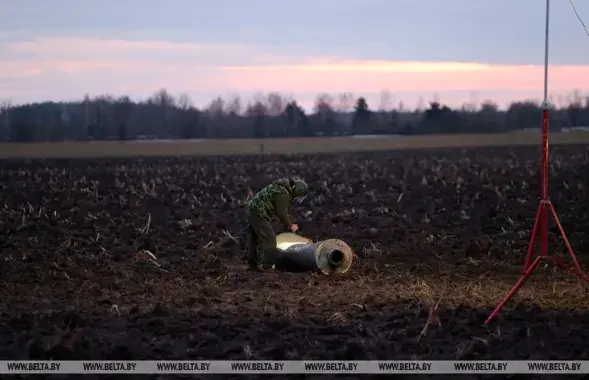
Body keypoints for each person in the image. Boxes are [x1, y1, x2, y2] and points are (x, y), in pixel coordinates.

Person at [245, 178, 308, 271]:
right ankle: (268, 266)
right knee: (270, 239)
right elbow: (282, 213)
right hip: (259, 214)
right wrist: (291, 226)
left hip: (252, 210)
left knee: (254, 238)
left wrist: (288, 221)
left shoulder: (279, 188)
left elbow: (281, 212)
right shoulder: (283, 194)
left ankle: (253, 264)